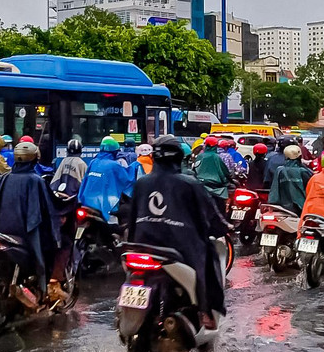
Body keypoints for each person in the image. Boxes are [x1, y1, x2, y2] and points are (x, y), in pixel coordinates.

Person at [120, 135, 228, 331]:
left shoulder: (141, 183)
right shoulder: (189, 183)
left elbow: (132, 217)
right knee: (209, 254)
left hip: (141, 246)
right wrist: (224, 227)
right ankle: (206, 312)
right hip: (180, 249)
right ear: (179, 157)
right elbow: (211, 216)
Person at [0, 141, 63, 305]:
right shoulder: (36, 180)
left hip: (2, 230)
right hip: (25, 231)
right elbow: (49, 207)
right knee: (47, 248)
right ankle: (43, 289)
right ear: (34, 159)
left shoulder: (5, 178)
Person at [79, 136, 136, 222]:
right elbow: (128, 179)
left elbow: (84, 182)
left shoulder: (93, 162)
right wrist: (136, 165)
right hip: (106, 206)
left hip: (86, 202)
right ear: (114, 152)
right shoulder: (114, 165)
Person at [268, 144, 313, 215]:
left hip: (283, 207)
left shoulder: (280, 170)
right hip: (302, 209)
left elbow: (274, 190)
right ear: (300, 156)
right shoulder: (304, 171)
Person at [191, 136, 231, 209]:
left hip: (201, 185)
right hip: (216, 187)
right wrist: (228, 181)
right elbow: (224, 172)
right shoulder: (216, 157)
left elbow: (194, 170)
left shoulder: (200, 156)